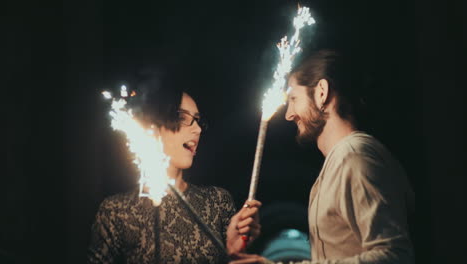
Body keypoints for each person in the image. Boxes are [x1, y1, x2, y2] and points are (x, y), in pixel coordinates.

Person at [230, 49, 415, 263]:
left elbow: (395, 256)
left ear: (321, 92)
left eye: (294, 98)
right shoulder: (339, 161)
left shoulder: (354, 157)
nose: (289, 114)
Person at [87, 68, 261, 264]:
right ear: (153, 126)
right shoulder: (116, 211)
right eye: (183, 117)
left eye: (197, 120)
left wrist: (235, 253)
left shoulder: (217, 202)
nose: (197, 129)